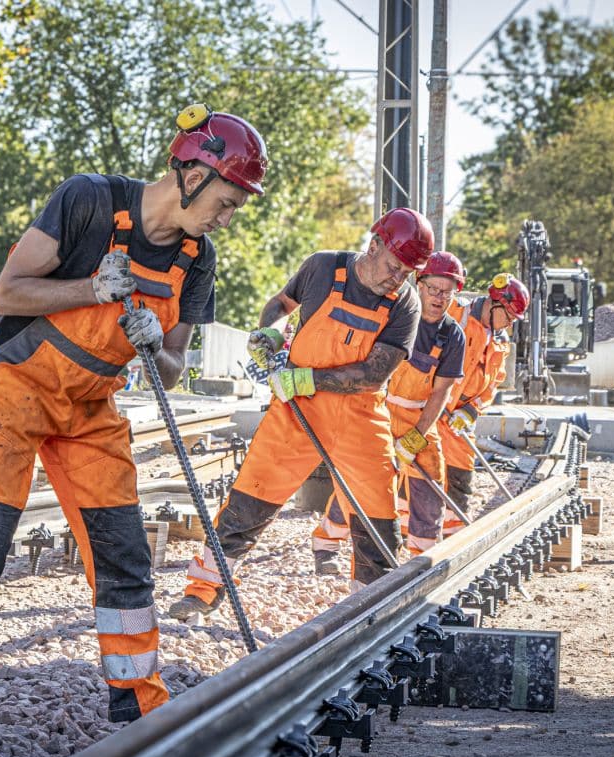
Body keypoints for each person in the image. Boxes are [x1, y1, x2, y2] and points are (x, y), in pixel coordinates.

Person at [0, 104, 269, 735]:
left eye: (237, 205)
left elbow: (172, 368)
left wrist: (153, 344)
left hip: (91, 409)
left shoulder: (198, 259)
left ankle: (135, 700)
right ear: (191, 172)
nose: (228, 214)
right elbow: (8, 294)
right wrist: (92, 290)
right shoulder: (87, 200)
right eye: (226, 198)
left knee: (123, 553)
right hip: (16, 391)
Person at [168, 207, 432, 618]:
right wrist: (271, 330)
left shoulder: (405, 305)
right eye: (395, 267)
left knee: (377, 518)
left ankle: (370, 608)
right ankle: (203, 591)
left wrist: (305, 379)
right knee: (248, 501)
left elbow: (374, 373)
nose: (398, 279)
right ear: (374, 245)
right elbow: (281, 303)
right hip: (295, 412)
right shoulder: (323, 268)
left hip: (359, 417)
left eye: (407, 273)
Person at [306, 251, 467, 565]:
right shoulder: (399, 315)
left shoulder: (452, 336)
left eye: (447, 292)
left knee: (429, 478)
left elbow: (440, 394)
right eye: (433, 289)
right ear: (419, 285)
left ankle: (424, 555)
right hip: (376, 408)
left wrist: (416, 437)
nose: (439, 297)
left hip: (419, 417)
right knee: (359, 479)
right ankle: (326, 543)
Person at [438, 273, 530, 526]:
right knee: (417, 474)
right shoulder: (456, 314)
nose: (510, 324)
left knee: (460, 472)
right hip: (430, 410)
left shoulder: (501, 340)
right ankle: (408, 536)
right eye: (509, 316)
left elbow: (491, 385)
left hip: (456, 418)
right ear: (494, 302)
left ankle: (453, 533)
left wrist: (470, 411)